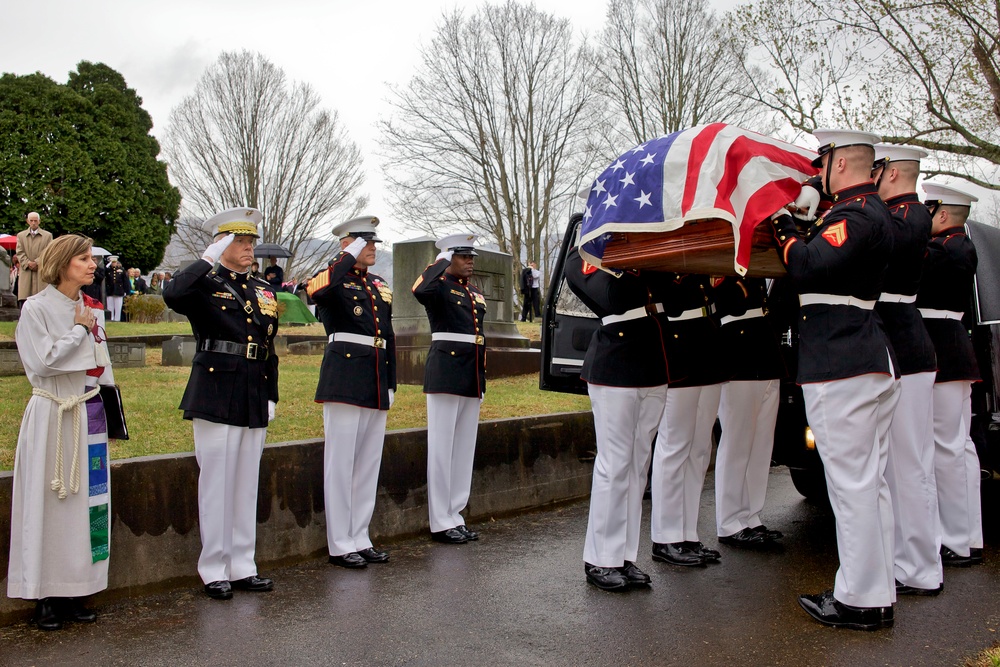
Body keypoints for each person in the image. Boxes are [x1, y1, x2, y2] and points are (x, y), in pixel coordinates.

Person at [771, 128, 899, 631]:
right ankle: (877, 591)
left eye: (821, 164)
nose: (816, 174)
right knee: (870, 486)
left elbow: (807, 265)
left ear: (839, 164)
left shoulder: (856, 215)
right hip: (860, 359)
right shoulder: (866, 214)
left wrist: (784, 228)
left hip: (843, 365)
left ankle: (860, 600)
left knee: (851, 488)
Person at [162, 207, 279, 600]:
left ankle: (243, 564)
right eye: (239, 242)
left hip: (252, 387)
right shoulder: (203, 282)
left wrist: (272, 394)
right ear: (222, 243)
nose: (248, 249)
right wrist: (208, 256)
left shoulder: (262, 289)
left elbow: (268, 345)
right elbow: (173, 293)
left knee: (246, 482)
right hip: (215, 387)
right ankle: (214, 568)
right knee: (217, 482)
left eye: (250, 242)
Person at [8, 234, 116, 631]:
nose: (92, 265)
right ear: (62, 262)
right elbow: (45, 362)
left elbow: (102, 366)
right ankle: (45, 596)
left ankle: (76, 590)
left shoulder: (89, 309)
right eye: (84, 259)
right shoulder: (35, 309)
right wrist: (78, 331)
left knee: (87, 503)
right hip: (53, 411)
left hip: (87, 411)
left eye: (93, 259)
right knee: (50, 502)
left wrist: (111, 412)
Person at [564, 239, 671, 591]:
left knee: (639, 465)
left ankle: (624, 556)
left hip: (652, 361)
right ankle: (600, 559)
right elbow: (611, 296)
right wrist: (630, 255)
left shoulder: (645, 250)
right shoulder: (585, 253)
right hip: (617, 362)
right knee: (615, 464)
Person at [870, 145, 943, 594]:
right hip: (899, 342)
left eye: (875, 171)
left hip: (905, 345)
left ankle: (919, 566)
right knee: (900, 463)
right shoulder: (901, 213)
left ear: (891, 172)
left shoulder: (908, 215)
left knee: (911, 461)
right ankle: (909, 560)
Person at [306, 215, 397, 569]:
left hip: (374, 375)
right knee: (341, 464)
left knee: (367, 464)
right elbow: (315, 292)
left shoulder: (378, 284)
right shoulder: (332, 276)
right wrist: (346, 255)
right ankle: (340, 542)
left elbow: (387, 335)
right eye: (364, 241)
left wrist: (390, 382)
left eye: (373, 242)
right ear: (347, 244)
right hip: (344, 375)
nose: (372, 247)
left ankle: (360, 535)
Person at [917, 182, 983, 568]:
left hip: (942, 347)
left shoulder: (945, 250)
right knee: (960, 446)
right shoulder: (959, 246)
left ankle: (957, 541)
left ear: (942, 215)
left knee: (946, 447)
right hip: (956, 348)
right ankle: (969, 535)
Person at [412, 234, 486, 544]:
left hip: (471, 372)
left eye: (471, 256)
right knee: (442, 449)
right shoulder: (439, 287)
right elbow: (419, 288)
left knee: (463, 449)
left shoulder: (474, 293)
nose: (469, 261)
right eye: (462, 256)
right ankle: (440, 521)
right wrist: (440, 260)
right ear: (448, 258)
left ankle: (455, 514)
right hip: (446, 371)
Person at [649, 274, 727, 566]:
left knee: (699, 449)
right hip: (677, 342)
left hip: (706, 340)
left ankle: (687, 533)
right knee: (675, 445)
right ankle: (666, 537)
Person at [713, 276, 786, 549]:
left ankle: (751, 515)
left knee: (761, 445)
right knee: (737, 443)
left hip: (766, 353)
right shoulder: (725, 265)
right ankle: (730, 522)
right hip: (738, 353)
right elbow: (726, 303)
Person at [15, 211, 54, 307]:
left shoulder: (47, 236)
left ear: (39, 221)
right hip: (26, 273)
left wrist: (37, 262)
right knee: (25, 301)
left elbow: (49, 252)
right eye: (31, 220)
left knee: (42, 301)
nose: (33, 223)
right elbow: (19, 252)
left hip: (41, 272)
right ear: (27, 221)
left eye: (35, 221)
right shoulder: (21, 235)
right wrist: (27, 263)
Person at [104, 257, 127, 322]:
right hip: (110, 290)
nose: (114, 264)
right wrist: (108, 265)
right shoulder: (108, 270)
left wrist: (125, 290)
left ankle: (117, 319)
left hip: (119, 290)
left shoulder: (121, 270)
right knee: (110, 306)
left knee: (118, 307)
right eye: (112, 262)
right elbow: (104, 272)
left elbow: (125, 281)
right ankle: (111, 318)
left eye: (115, 262)